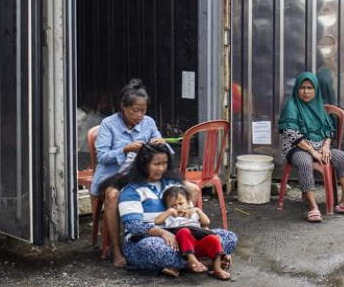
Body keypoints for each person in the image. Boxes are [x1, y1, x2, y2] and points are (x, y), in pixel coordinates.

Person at [89, 79, 198, 267]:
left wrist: (161, 143)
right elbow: (103, 157)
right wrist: (125, 149)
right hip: (116, 175)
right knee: (112, 195)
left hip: (144, 173)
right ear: (123, 107)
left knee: (192, 189)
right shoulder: (108, 124)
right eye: (135, 111)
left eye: (143, 110)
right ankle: (116, 248)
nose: (140, 115)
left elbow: (166, 155)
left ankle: (178, 234)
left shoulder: (148, 123)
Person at [119, 143, 237, 279]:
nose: (161, 168)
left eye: (164, 164)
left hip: (185, 236)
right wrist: (161, 232)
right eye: (156, 164)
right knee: (153, 248)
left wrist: (204, 231)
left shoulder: (172, 184)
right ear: (143, 165)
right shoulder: (131, 191)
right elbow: (134, 227)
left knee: (228, 237)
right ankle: (210, 261)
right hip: (148, 239)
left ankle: (182, 264)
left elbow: (189, 212)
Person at [278, 72, 344, 223]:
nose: (306, 91)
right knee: (305, 162)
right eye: (302, 88)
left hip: (320, 147)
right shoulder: (291, 106)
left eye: (310, 88)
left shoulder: (319, 106)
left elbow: (329, 129)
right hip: (296, 148)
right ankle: (312, 207)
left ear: (316, 90)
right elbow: (291, 133)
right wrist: (312, 151)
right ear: (297, 89)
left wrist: (326, 145)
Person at [154, 186, 231, 280]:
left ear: (188, 203)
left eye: (181, 203)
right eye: (173, 206)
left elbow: (206, 222)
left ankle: (217, 268)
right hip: (181, 247)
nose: (177, 207)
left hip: (197, 245)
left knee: (213, 238)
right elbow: (157, 221)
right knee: (184, 231)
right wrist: (169, 212)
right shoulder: (169, 216)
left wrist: (198, 211)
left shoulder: (193, 214)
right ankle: (192, 260)